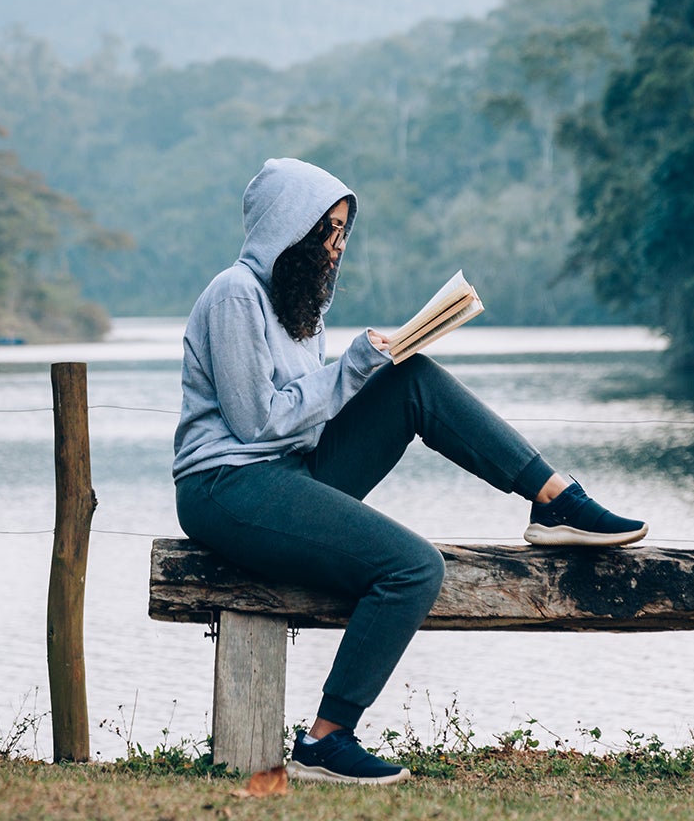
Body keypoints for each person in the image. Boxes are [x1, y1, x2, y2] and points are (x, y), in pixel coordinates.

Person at [173, 158, 646, 786]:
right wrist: (350, 370)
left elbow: (303, 421)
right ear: (288, 228)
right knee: (413, 566)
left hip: (287, 473)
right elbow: (256, 423)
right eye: (326, 232)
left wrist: (371, 371)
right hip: (226, 488)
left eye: (343, 233)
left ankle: (556, 498)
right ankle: (325, 741)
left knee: (412, 379)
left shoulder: (299, 309)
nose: (337, 248)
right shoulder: (235, 293)